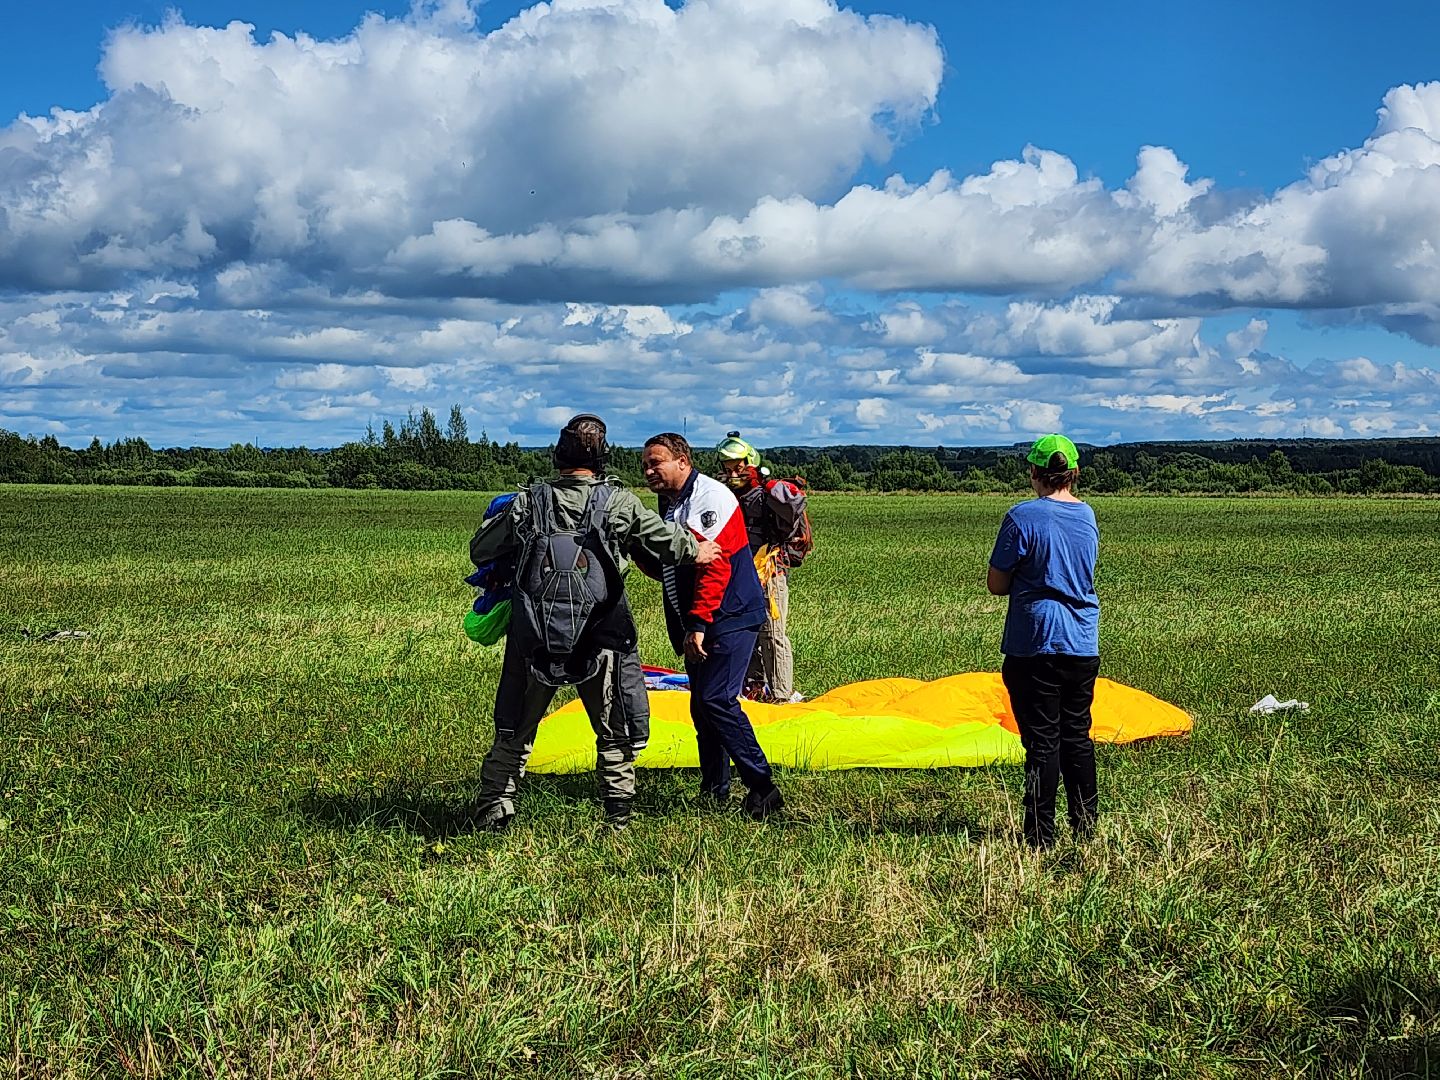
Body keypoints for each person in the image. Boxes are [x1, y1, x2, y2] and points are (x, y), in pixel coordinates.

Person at [469, 414, 721, 832]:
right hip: (602, 633)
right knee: (616, 730)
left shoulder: (527, 502)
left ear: (558, 456)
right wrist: (700, 551)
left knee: (515, 727)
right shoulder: (618, 503)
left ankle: (494, 811)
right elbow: (663, 542)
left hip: (533, 635)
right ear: (603, 458)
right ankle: (618, 818)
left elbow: (481, 550)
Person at [636, 433, 784, 819]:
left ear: (683, 461)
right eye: (645, 465)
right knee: (702, 708)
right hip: (700, 619)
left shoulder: (708, 497)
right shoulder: (671, 503)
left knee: (717, 700)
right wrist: (633, 546)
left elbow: (714, 564)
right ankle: (715, 788)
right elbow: (668, 565)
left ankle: (762, 787)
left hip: (729, 615)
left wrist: (699, 623)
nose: (650, 470)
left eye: (657, 462)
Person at [986, 433, 1100, 850]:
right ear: (1074, 473)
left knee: (1042, 742)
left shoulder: (1021, 517)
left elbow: (997, 584)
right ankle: (1086, 828)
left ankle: (1039, 836)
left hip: (1035, 642)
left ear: (1034, 473)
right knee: (1077, 735)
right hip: (1082, 641)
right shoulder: (1088, 516)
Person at [714, 432, 808, 703]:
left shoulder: (766, 494)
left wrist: (770, 486)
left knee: (772, 633)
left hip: (769, 569)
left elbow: (794, 503)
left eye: (739, 465)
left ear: (750, 462)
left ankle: (782, 694)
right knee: (746, 630)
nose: (735, 471)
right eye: (729, 467)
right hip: (740, 572)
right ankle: (754, 687)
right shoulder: (726, 495)